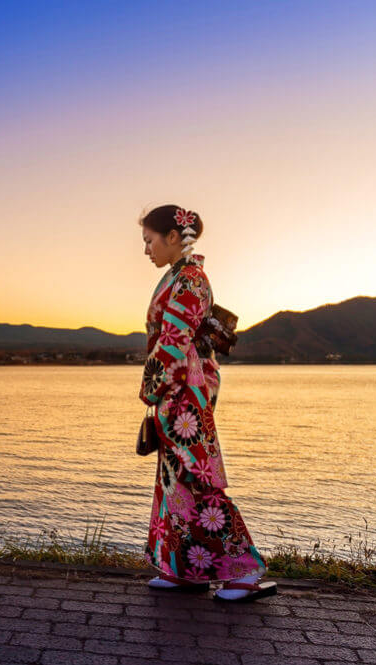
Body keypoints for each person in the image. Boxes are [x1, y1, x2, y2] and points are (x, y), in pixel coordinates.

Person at [138, 204, 276, 602]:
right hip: (181, 387)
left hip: (186, 387)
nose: (146, 249)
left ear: (171, 237)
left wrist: (150, 387)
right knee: (175, 482)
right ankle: (186, 570)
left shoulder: (191, 279)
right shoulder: (180, 276)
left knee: (197, 477)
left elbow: (174, 341)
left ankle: (245, 573)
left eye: (149, 241)